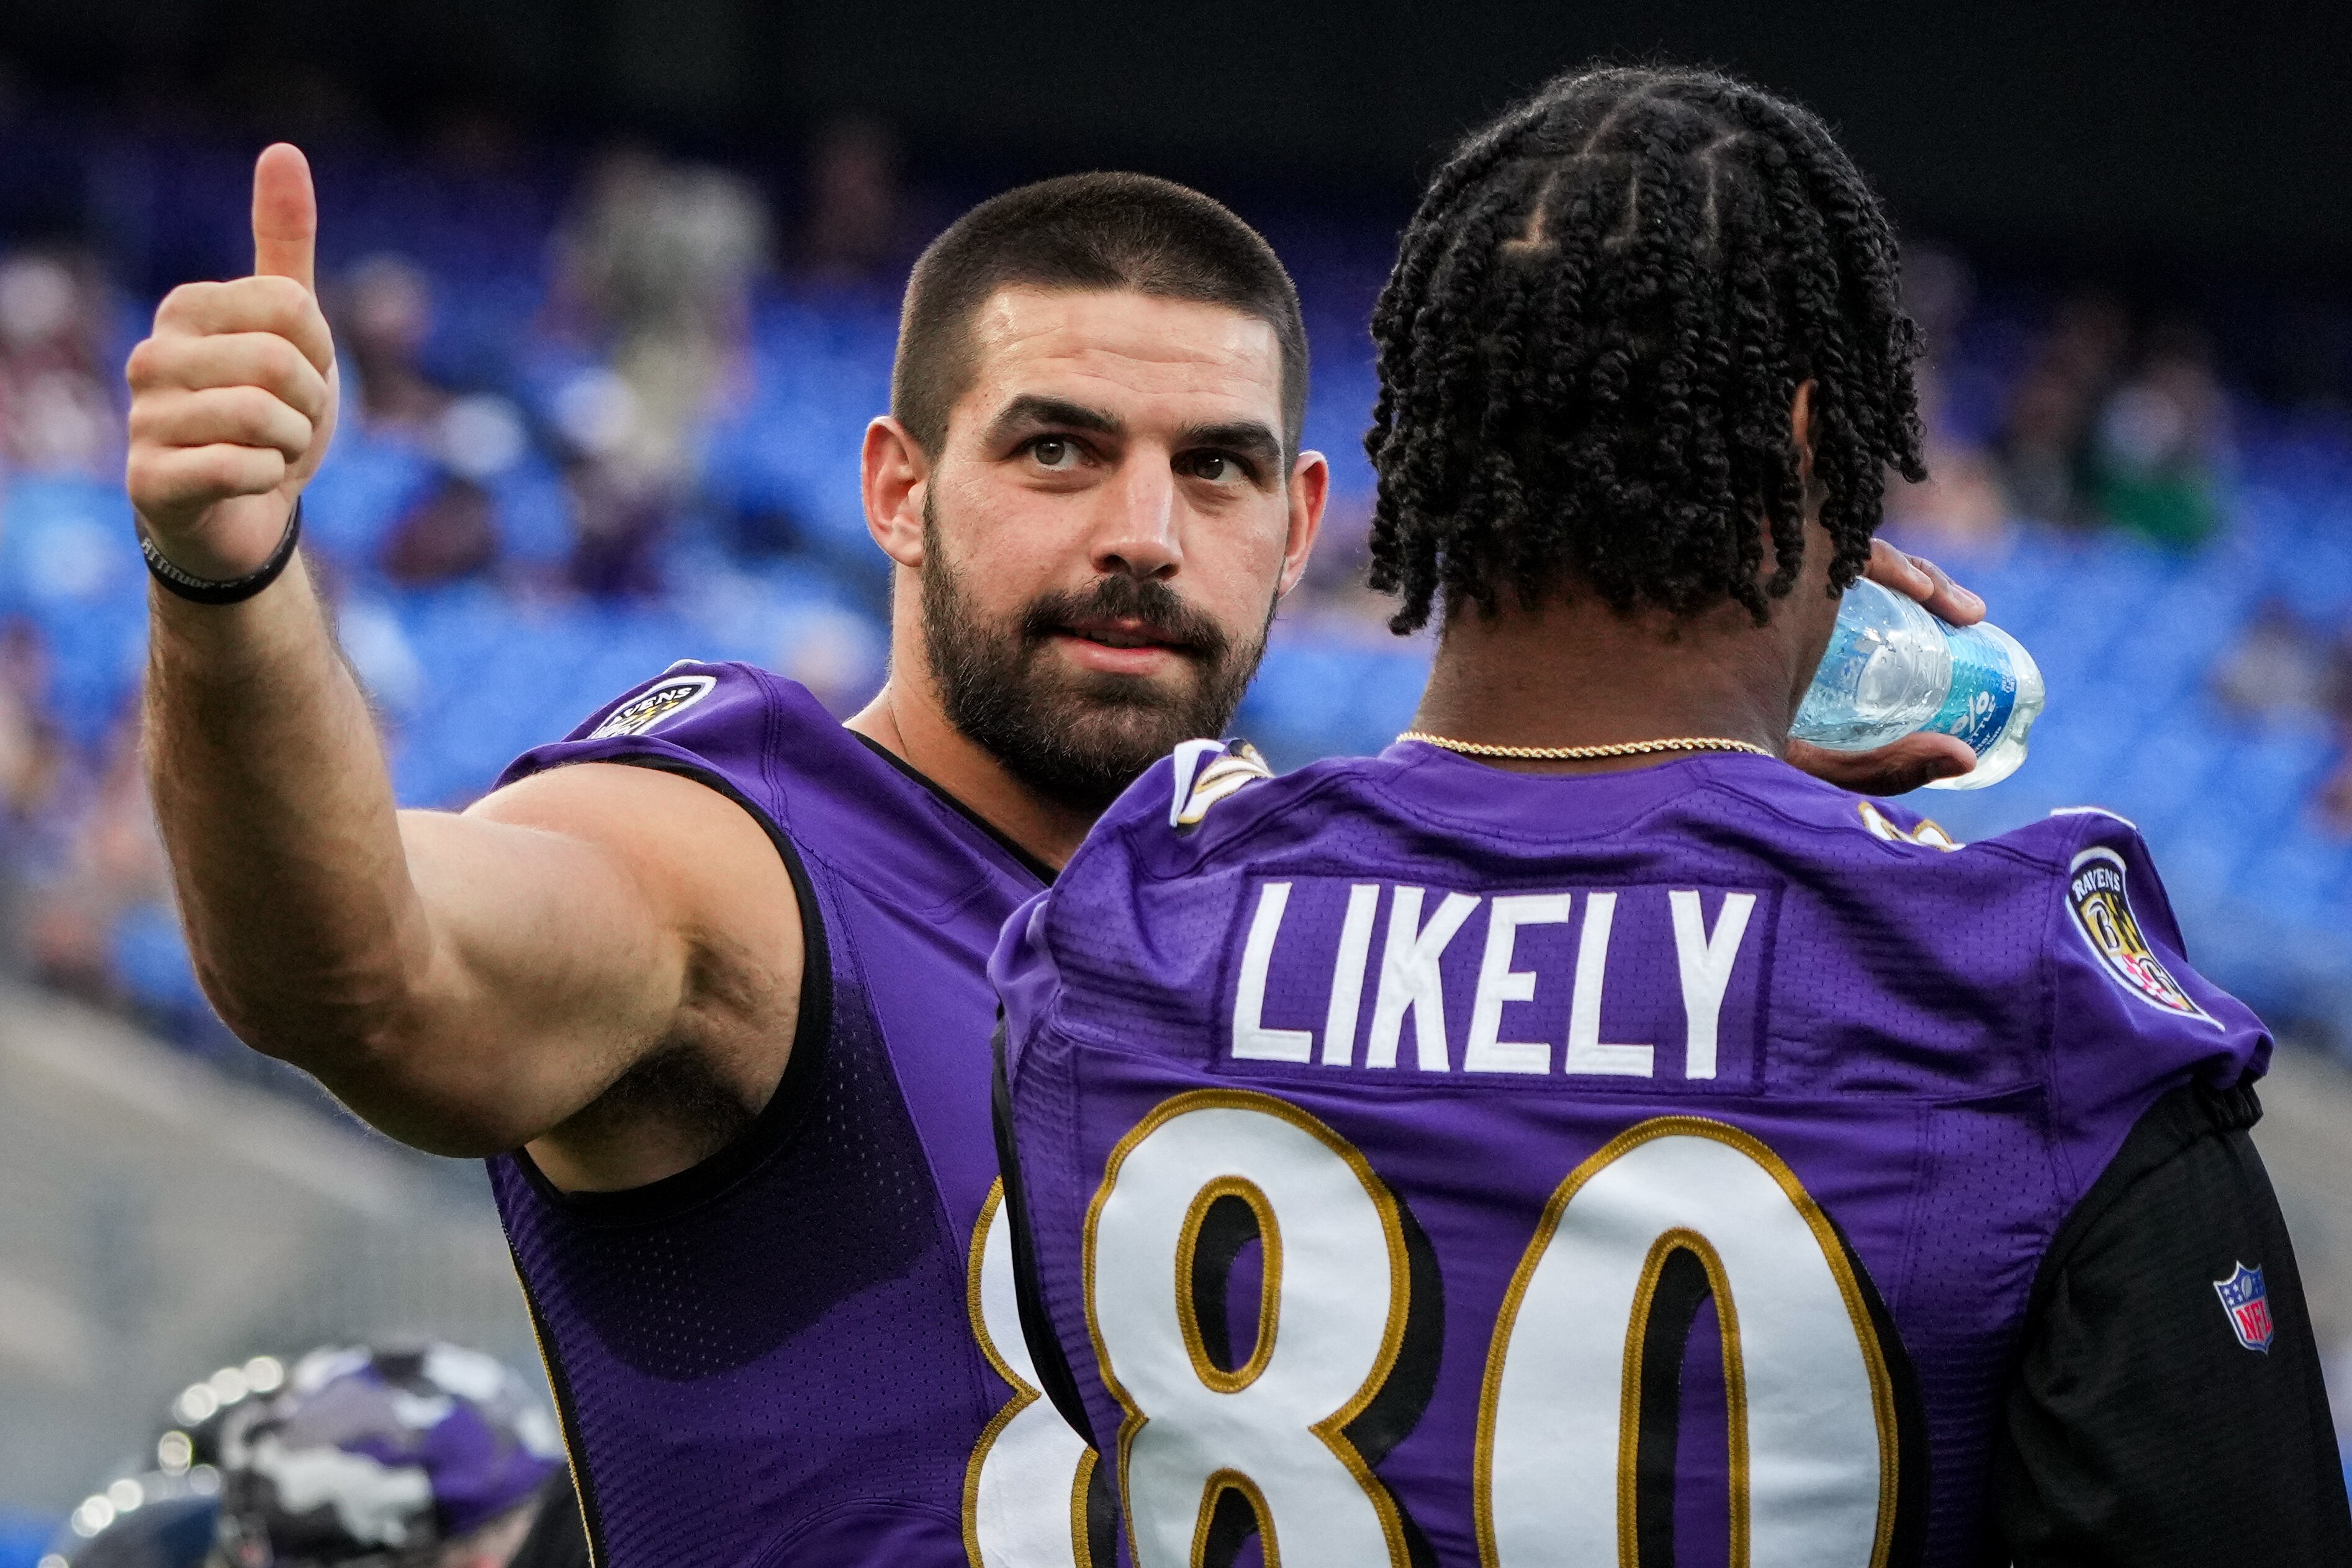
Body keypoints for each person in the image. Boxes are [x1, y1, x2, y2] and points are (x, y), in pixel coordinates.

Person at [123, 143, 1976, 1567]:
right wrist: (227, 580)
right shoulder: (737, 856)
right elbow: (366, 962)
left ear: (1301, 520)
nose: (1144, 533)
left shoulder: (1291, 905)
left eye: (1218, 468)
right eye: (1059, 450)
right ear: (898, 489)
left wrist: (1697, 733)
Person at [989, 65, 2352, 1568]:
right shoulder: (2016, 996)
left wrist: (1721, 800)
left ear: (1425, 433)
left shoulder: (1126, 923)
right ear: (1802, 433)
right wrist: (1777, 845)